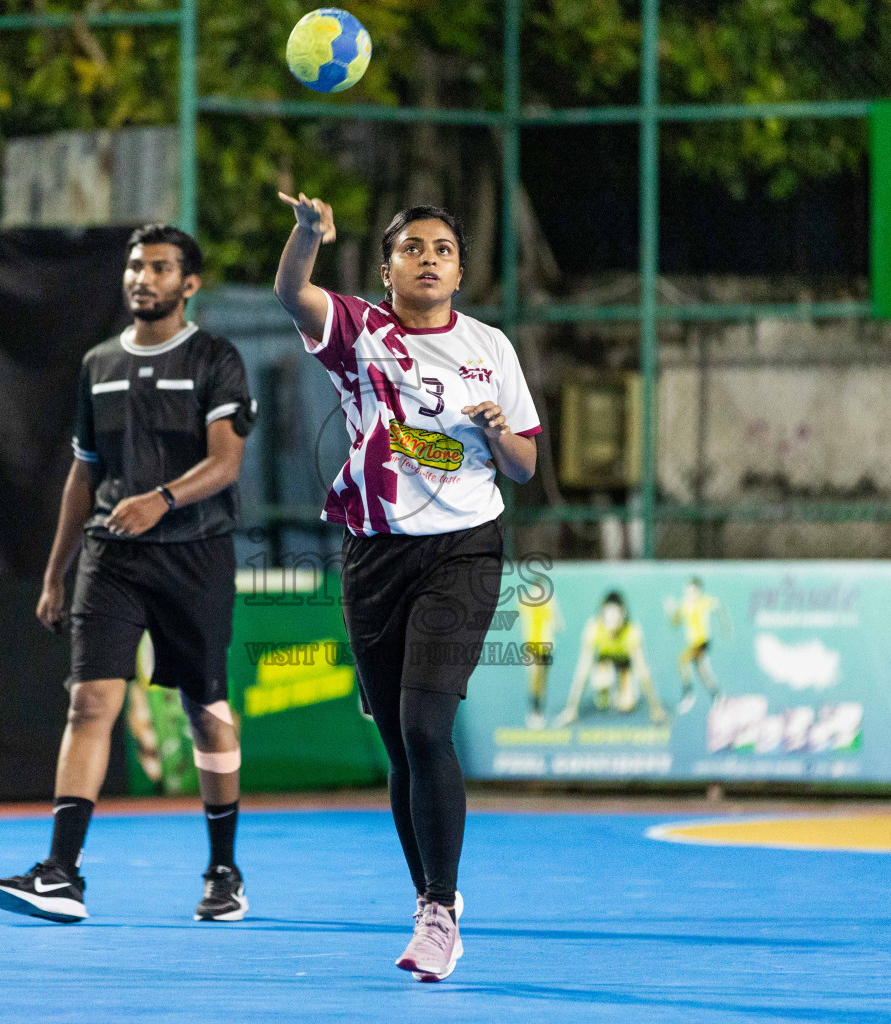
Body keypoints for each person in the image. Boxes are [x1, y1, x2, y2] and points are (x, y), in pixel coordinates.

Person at [274, 192, 540, 982]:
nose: (429, 258)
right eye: (413, 248)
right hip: (374, 555)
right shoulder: (359, 332)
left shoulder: (490, 346)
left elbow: (524, 464)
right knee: (398, 742)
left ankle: (438, 909)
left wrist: (496, 432)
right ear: (387, 268)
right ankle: (430, 897)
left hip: (463, 551)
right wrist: (309, 236)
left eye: (444, 249)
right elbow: (292, 294)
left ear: (460, 269)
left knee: (428, 727)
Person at [0, 224, 257, 925]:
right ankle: (61, 873)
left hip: (195, 552)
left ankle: (223, 871)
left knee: (205, 711)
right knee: (89, 703)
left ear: (188, 284)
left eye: (161, 268)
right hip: (112, 557)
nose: (143, 277)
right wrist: (55, 573)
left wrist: (162, 499)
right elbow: (84, 472)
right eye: (136, 266)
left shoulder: (215, 358)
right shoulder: (98, 363)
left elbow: (226, 463)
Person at [553, 592, 667, 727]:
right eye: (609, 614)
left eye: (616, 614)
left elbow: (643, 671)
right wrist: (571, 709)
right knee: (603, 698)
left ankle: (622, 688)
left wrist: (655, 708)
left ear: (623, 614)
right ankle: (606, 690)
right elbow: (582, 670)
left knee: (626, 705)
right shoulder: (593, 629)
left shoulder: (632, 631)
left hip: (624, 664)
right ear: (602, 614)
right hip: (604, 662)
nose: (612, 619)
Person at [666, 576, 726, 714]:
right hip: (692, 643)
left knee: (682, 660)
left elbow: (719, 608)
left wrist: (725, 628)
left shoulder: (704, 601)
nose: (690, 594)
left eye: (693, 591)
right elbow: (675, 623)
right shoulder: (684, 605)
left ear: (699, 591)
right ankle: (717, 696)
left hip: (702, 642)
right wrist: (671, 611)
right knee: (702, 671)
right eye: (688, 591)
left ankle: (688, 695)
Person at [517, 593, 561, 729]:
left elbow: (557, 623)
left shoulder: (548, 603)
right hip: (531, 645)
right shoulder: (525, 602)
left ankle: (539, 710)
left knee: (542, 680)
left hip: (545, 646)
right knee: (535, 675)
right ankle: (534, 710)